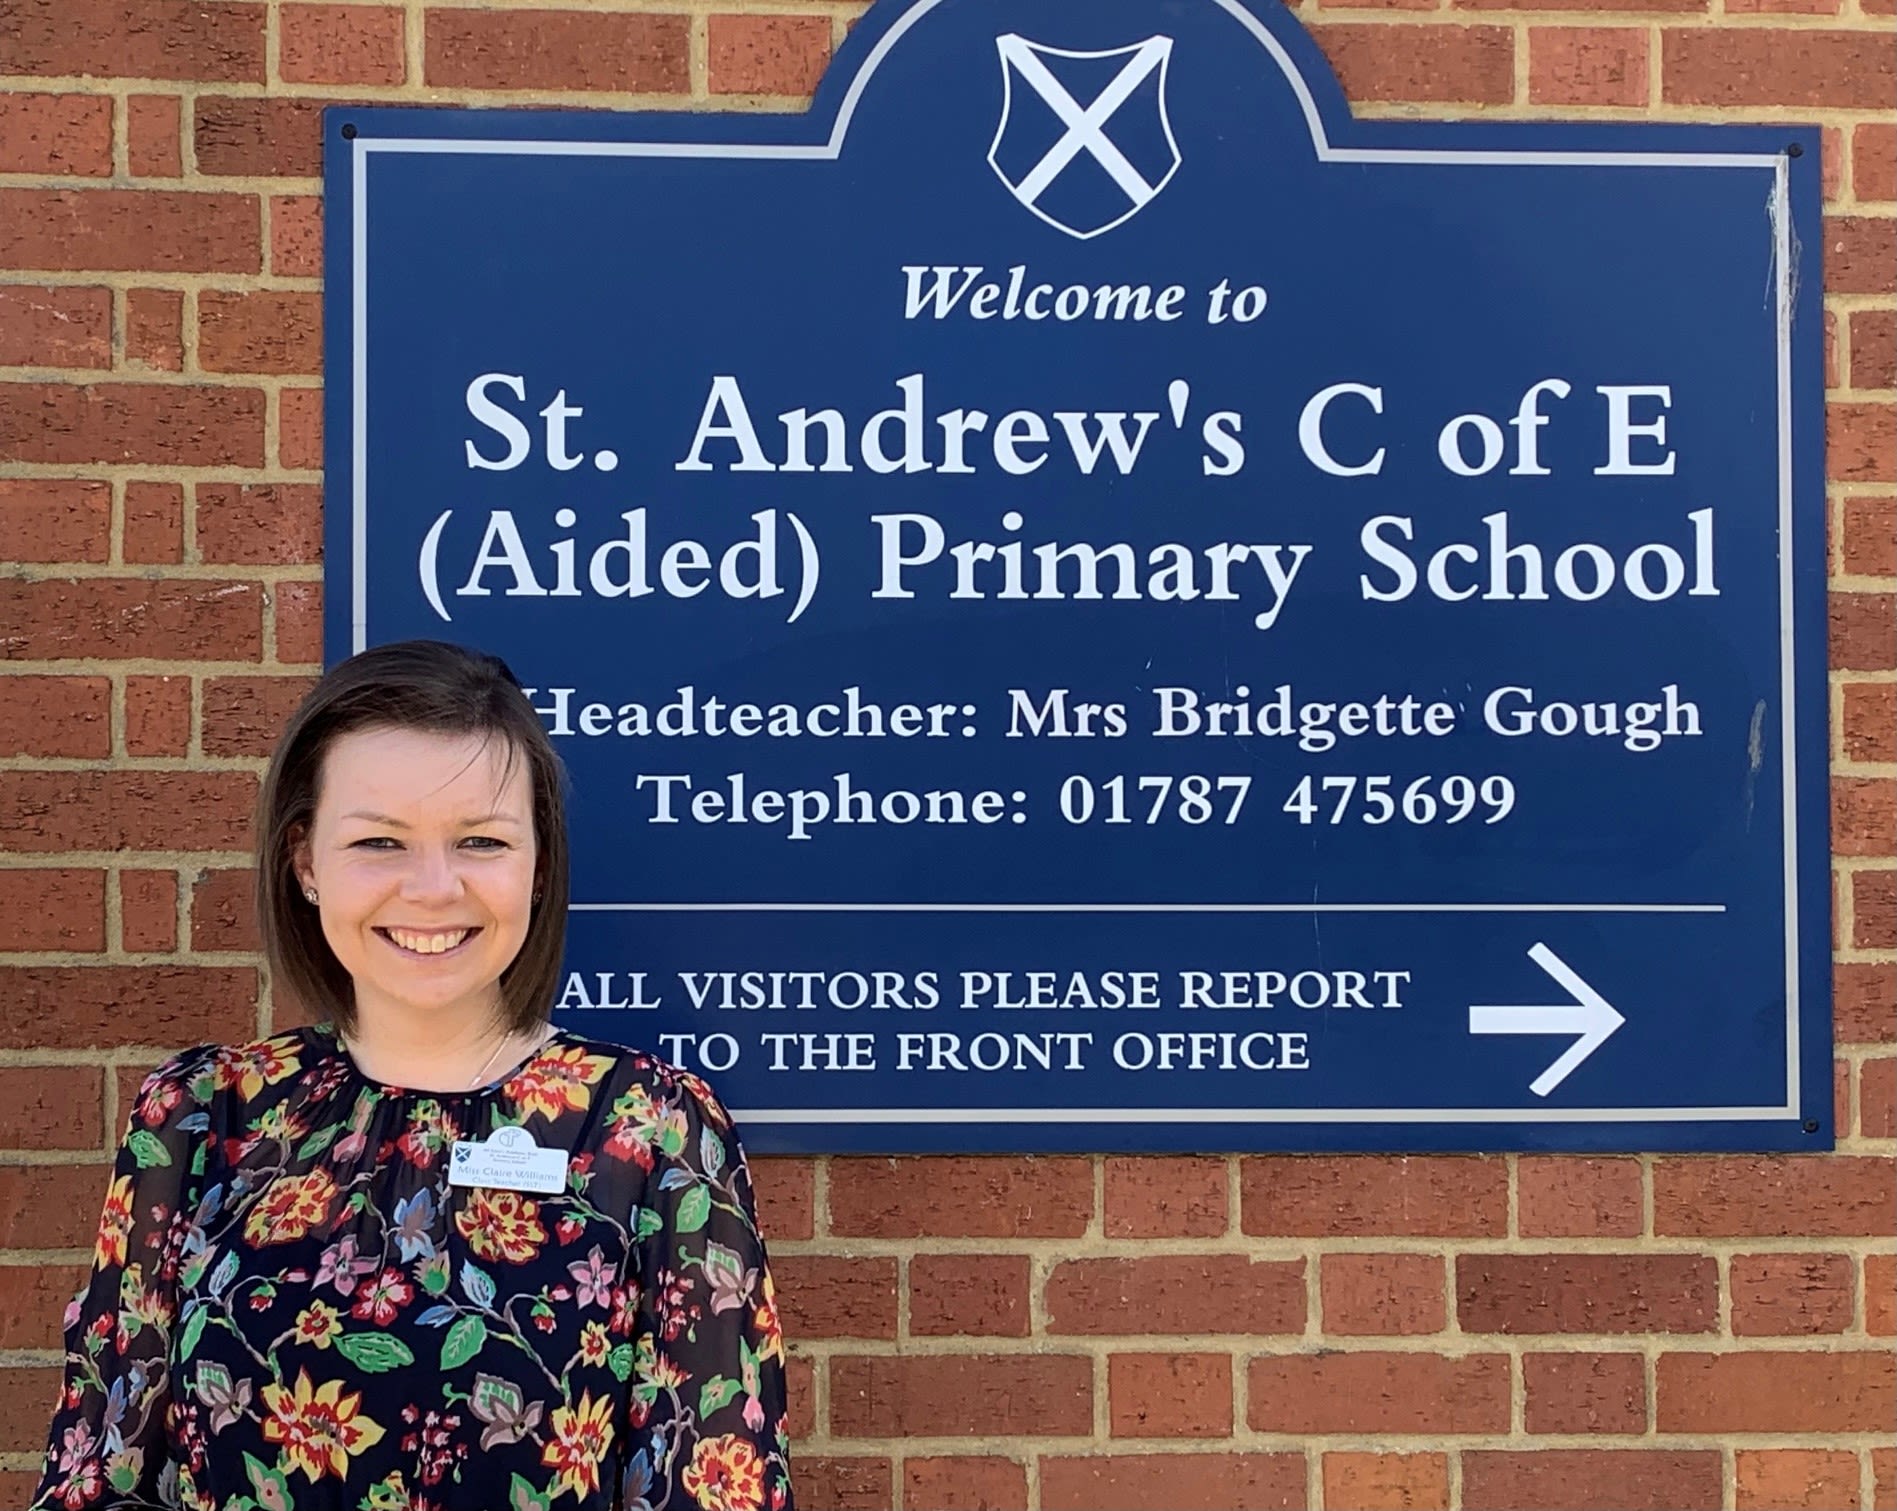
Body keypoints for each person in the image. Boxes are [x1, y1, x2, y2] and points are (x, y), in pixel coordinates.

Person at [32, 640, 793, 1511]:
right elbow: (100, 1470)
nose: (433, 887)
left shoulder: (648, 1128)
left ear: (537, 864)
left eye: (480, 840)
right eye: (379, 840)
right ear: (305, 861)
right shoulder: (200, 1118)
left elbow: (717, 1481)